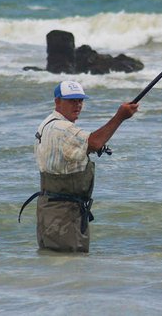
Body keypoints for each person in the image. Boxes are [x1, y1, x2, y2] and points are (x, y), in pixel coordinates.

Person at [21, 80, 138, 253]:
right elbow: (96, 142)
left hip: (48, 210)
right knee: (72, 266)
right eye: (71, 100)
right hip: (64, 215)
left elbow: (71, 151)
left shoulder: (47, 124)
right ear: (57, 101)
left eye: (80, 100)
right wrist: (120, 116)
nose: (77, 105)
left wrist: (88, 149)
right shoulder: (63, 129)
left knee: (55, 266)